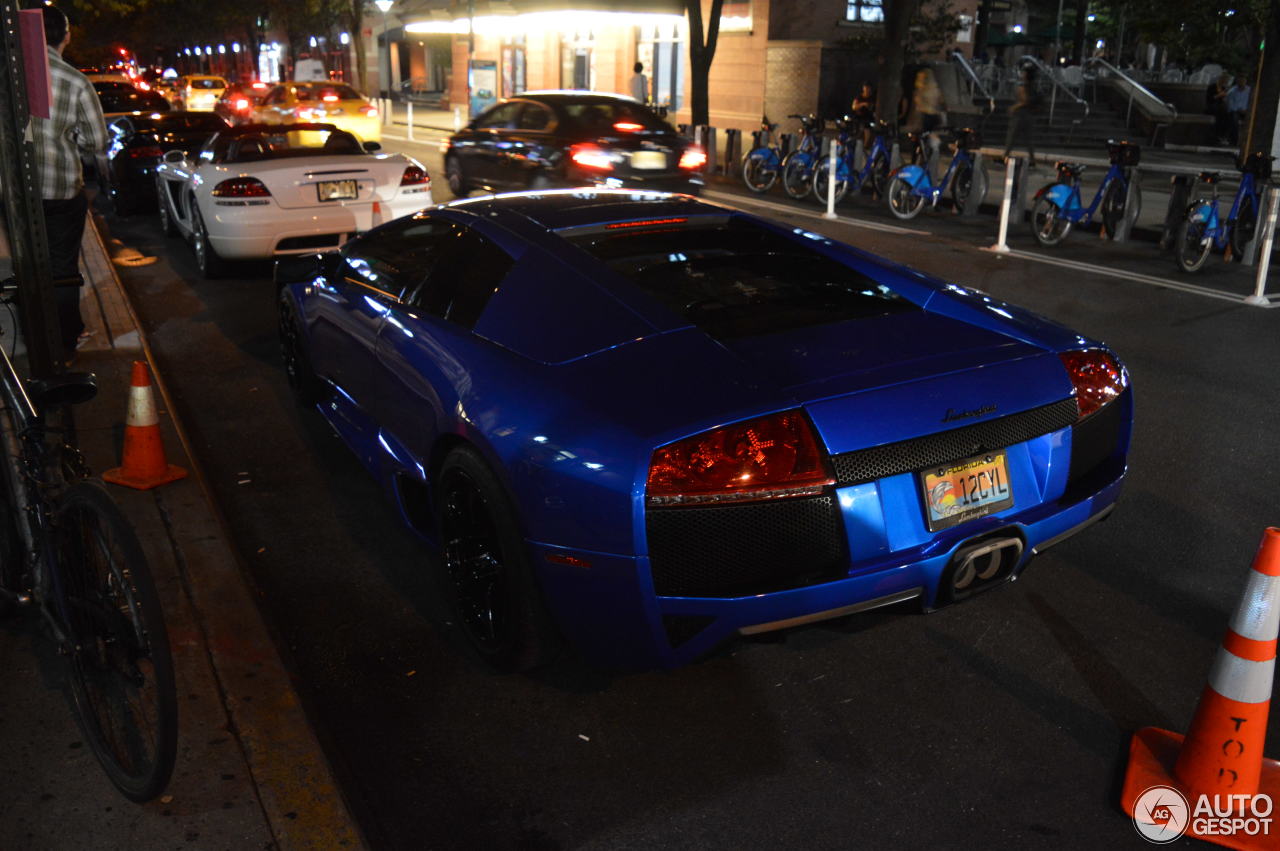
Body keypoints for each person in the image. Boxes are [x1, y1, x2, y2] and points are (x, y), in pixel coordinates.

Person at [30, 5, 108, 363]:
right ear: (66, 35)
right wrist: (71, 135)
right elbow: (97, 141)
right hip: (60, 190)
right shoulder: (75, 80)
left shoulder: (10, 77)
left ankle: (32, 335)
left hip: (14, 192)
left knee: (28, 262)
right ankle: (65, 340)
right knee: (62, 266)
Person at [1002, 66, 1039, 167]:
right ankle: (1032, 158)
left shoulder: (1024, 86)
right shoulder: (1033, 87)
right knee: (1028, 139)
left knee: (1012, 136)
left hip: (1021, 115)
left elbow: (1024, 100)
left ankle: (1005, 155)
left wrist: (1014, 107)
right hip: (1029, 115)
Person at [1225, 75, 1251, 145]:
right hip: (1235, 111)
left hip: (1247, 111)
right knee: (1234, 119)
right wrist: (1239, 110)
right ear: (1237, 82)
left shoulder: (1250, 91)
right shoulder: (1232, 92)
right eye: (1240, 81)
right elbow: (1230, 105)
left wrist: (1247, 110)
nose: (1242, 83)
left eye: (1243, 81)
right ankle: (1234, 141)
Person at [1206, 72, 1230, 145]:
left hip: (1221, 108)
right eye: (1223, 80)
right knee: (1219, 113)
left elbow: (1224, 100)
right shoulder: (1212, 87)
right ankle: (1216, 137)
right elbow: (1209, 99)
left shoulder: (1223, 88)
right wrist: (1219, 95)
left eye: (1225, 81)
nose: (1224, 82)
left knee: (1227, 114)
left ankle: (1222, 136)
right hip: (1212, 106)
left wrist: (1224, 97)